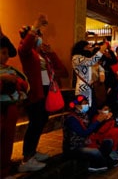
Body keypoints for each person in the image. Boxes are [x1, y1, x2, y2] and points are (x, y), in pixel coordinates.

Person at [18, 14, 68, 172]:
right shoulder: (26, 52)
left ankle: (32, 152)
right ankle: (26, 159)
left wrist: (52, 53)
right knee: (35, 123)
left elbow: (63, 71)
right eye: (37, 35)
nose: (40, 38)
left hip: (47, 92)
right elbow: (25, 47)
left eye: (40, 35)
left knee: (41, 121)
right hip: (35, 93)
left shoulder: (43, 55)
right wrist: (35, 26)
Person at [63, 95, 118, 172]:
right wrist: (98, 121)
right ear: (77, 106)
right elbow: (83, 133)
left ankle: (101, 162)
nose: (86, 105)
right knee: (95, 151)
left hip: (84, 143)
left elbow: (92, 129)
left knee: (108, 141)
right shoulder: (71, 118)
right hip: (73, 148)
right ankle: (101, 164)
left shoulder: (84, 115)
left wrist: (102, 118)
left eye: (87, 103)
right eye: (84, 103)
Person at [0, 31, 29, 178]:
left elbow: (24, 84)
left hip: (11, 107)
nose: (6, 56)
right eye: (2, 53)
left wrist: (16, 82)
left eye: (6, 53)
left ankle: (4, 170)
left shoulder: (11, 69)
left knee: (7, 140)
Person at [71, 40, 107, 115]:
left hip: (89, 86)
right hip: (82, 87)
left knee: (92, 109)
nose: (89, 50)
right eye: (87, 48)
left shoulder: (83, 57)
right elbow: (91, 61)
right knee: (84, 109)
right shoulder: (76, 58)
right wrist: (101, 51)